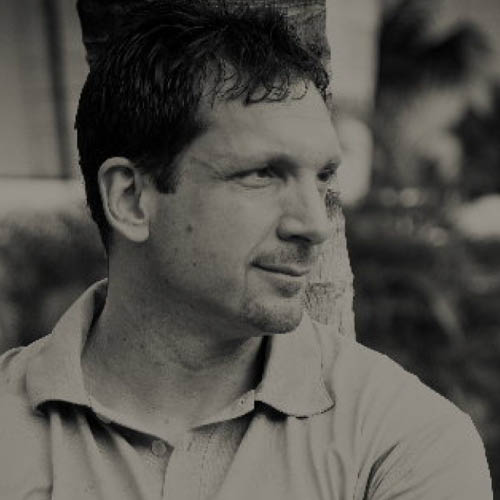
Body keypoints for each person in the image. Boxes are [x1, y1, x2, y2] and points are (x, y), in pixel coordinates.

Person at [0, 1, 492, 498]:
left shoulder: (400, 441)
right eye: (262, 175)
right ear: (130, 199)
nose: (315, 225)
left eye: (323, 178)